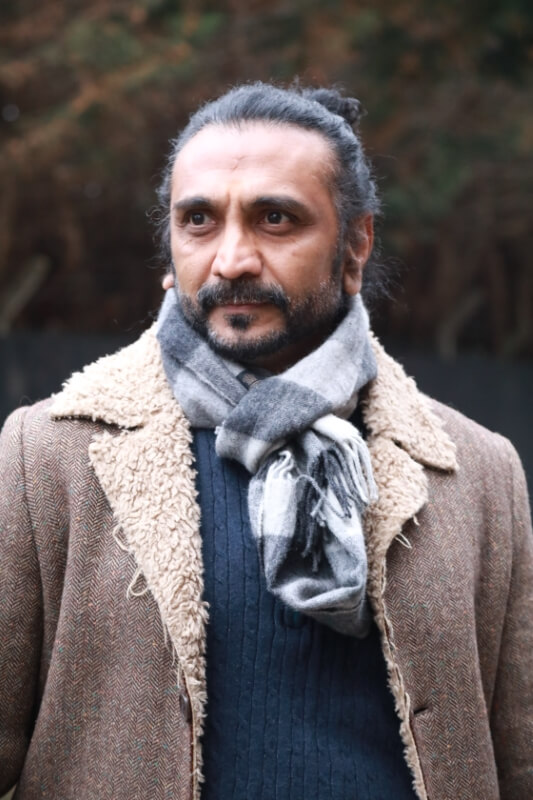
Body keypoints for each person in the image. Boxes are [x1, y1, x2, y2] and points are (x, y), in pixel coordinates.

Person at [0, 83, 531, 800]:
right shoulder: (48, 457)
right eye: (198, 220)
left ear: (355, 245)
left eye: (275, 219)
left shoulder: (478, 473)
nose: (232, 259)